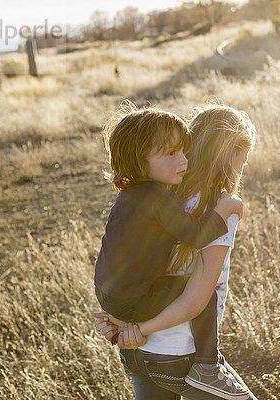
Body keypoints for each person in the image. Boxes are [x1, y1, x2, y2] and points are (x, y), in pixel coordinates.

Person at [95, 104, 257, 400]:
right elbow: (195, 301)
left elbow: (120, 261)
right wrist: (140, 328)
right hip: (177, 353)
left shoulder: (150, 194)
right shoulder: (217, 207)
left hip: (134, 353)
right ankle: (208, 369)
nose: (243, 168)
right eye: (243, 161)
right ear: (230, 154)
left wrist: (121, 322)